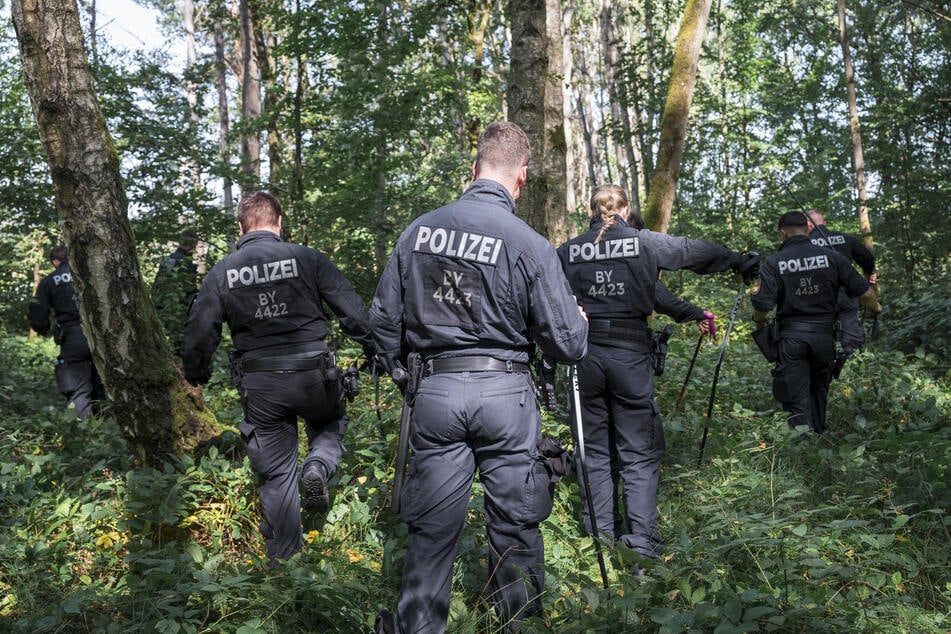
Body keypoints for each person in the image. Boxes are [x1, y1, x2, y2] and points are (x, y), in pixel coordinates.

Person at [370, 121, 589, 633]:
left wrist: (410, 380)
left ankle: (420, 627)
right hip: (506, 394)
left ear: (473, 170)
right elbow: (568, 344)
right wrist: (579, 319)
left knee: (431, 528)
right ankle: (519, 623)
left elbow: (382, 323)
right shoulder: (529, 243)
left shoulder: (418, 231)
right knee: (515, 523)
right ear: (521, 178)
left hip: (436, 391)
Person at [555, 184, 759, 565]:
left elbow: (545, 295)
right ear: (626, 209)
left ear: (590, 210)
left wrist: (692, 312)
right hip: (629, 358)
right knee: (638, 454)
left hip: (584, 359)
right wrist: (736, 260)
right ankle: (642, 546)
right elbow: (692, 251)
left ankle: (598, 540)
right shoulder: (643, 243)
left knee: (594, 451)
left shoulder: (567, 252)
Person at [180, 191, 376, 564]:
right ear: (279, 223)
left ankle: (285, 563)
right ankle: (318, 463)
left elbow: (199, 332)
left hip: (262, 384)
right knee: (330, 421)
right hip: (314, 375)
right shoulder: (307, 258)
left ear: (240, 227)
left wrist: (196, 373)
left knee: (276, 473)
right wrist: (374, 349)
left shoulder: (223, 272)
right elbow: (352, 310)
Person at [751, 211, 881, 434]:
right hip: (824, 337)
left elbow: (763, 306)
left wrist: (759, 322)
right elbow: (866, 294)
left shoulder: (774, 262)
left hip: (791, 338)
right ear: (807, 228)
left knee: (795, 389)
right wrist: (877, 308)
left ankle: (803, 440)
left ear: (783, 233)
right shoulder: (832, 257)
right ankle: (820, 431)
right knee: (820, 385)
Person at [28, 245, 106, 420]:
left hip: (72, 338)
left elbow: (37, 313)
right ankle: (108, 433)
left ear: (55, 261)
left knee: (78, 392)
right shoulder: (91, 275)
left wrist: (44, 329)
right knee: (103, 386)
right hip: (101, 337)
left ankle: (80, 435)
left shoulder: (49, 281)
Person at [805, 210, 877, 371]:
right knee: (850, 334)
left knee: (821, 336)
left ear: (809, 224)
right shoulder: (846, 239)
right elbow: (868, 258)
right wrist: (869, 273)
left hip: (818, 300)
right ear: (824, 223)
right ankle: (852, 369)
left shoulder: (805, 245)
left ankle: (824, 369)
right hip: (847, 295)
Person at [151, 229, 199, 352]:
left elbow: (156, 288)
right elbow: (190, 294)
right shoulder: (188, 264)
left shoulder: (167, 260)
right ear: (193, 244)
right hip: (179, 316)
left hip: (161, 312)